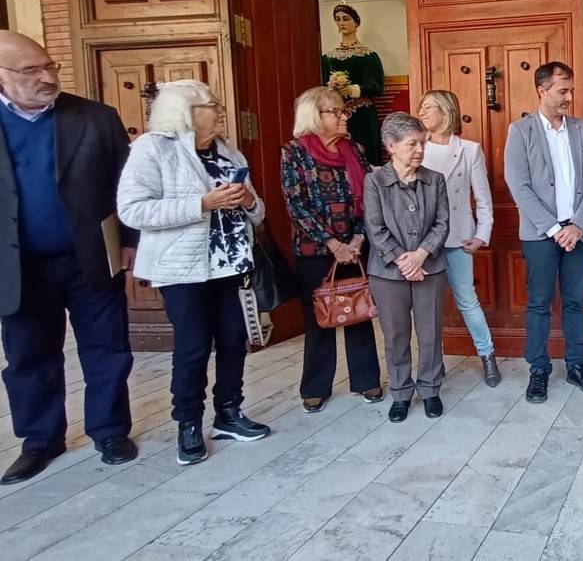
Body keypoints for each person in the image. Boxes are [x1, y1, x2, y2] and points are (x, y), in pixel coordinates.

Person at [0, 31, 137, 484]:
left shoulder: (95, 117)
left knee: (107, 349)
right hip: (18, 267)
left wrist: (133, 245)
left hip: (90, 258)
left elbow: (126, 187)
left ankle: (111, 431)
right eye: (31, 70)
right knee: (28, 357)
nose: (46, 76)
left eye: (50, 66)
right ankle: (39, 440)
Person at [117, 80, 271, 465]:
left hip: (231, 265)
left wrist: (250, 200)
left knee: (235, 339)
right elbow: (133, 210)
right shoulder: (152, 149)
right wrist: (201, 203)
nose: (220, 110)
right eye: (212, 105)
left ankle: (229, 412)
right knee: (193, 346)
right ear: (184, 112)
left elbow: (258, 212)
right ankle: (188, 422)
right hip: (182, 269)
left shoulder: (228, 151)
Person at [504, 61, 583, 404]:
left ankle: (577, 366)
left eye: (571, 90)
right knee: (539, 304)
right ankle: (539, 370)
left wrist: (578, 224)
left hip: (578, 232)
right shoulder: (521, 131)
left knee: (576, 303)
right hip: (540, 234)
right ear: (541, 90)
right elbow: (518, 185)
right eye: (562, 91)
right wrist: (551, 227)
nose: (569, 97)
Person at [281, 87, 383, 414]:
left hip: (354, 245)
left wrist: (355, 241)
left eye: (343, 111)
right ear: (315, 116)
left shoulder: (355, 150)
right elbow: (296, 203)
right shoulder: (295, 152)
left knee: (359, 309)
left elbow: (370, 199)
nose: (344, 116)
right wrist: (333, 243)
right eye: (336, 111)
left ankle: (367, 380)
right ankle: (315, 387)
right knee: (319, 318)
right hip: (315, 248)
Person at [364, 113, 450, 423]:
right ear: (391, 145)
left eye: (422, 143)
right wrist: (404, 259)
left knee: (430, 332)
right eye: (412, 143)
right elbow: (374, 228)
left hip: (430, 268)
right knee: (396, 334)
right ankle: (401, 392)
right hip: (387, 272)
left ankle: (430, 389)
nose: (420, 150)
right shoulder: (374, 180)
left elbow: (442, 223)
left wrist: (421, 256)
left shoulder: (435, 179)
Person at [417, 89, 501, 387]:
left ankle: (488, 356)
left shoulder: (469, 149)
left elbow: (483, 198)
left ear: (446, 111)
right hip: (422, 243)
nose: (422, 112)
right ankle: (433, 365)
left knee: (467, 300)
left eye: (429, 107)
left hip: (458, 238)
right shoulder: (415, 148)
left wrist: (481, 234)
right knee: (429, 306)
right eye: (421, 107)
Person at [321, 3, 385, 165]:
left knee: (364, 157)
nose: (342, 23)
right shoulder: (328, 59)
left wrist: (352, 89)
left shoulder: (369, 56)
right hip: (335, 114)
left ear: (356, 23)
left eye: (346, 19)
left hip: (362, 115)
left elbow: (377, 87)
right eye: (338, 19)